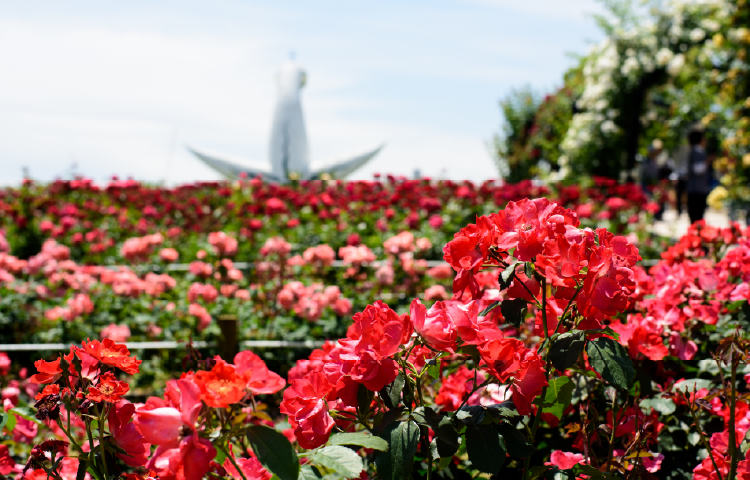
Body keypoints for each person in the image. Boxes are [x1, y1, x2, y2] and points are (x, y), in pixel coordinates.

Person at [686, 127, 712, 224]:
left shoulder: (700, 151)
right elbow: (696, 169)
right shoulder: (695, 151)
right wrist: (707, 161)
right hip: (695, 189)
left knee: (698, 214)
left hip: (699, 189)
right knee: (695, 215)